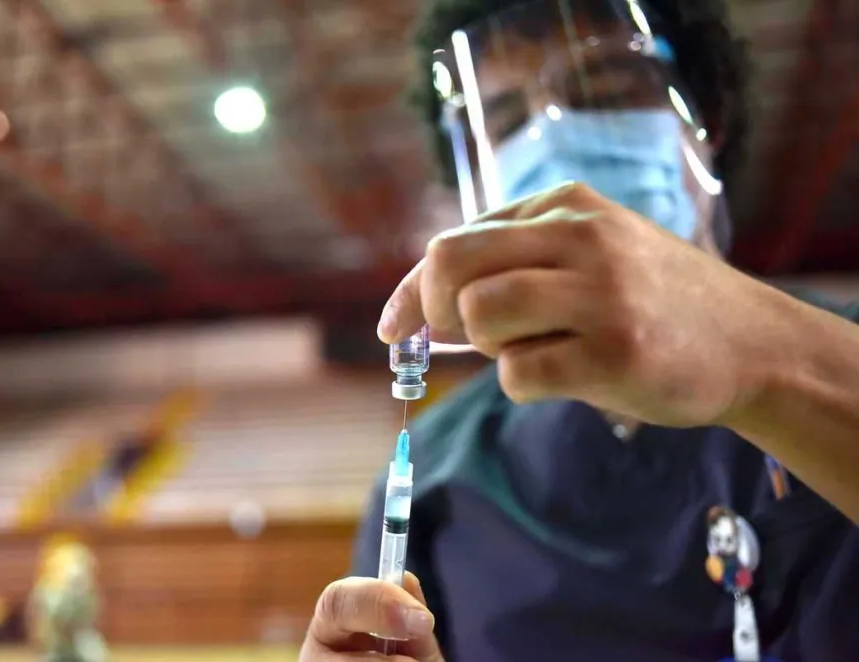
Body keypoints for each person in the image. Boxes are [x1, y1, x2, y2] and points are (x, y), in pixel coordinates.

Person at [299, 1, 859, 661]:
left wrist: (762, 360)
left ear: (706, 116)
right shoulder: (436, 478)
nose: (550, 138)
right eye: (504, 122)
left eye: (606, 92)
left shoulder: (838, 354)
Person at [28, 539, 108, 662]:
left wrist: (79, 591)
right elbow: (52, 620)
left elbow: (89, 619)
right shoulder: (45, 591)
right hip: (56, 645)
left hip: (81, 640)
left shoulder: (87, 590)